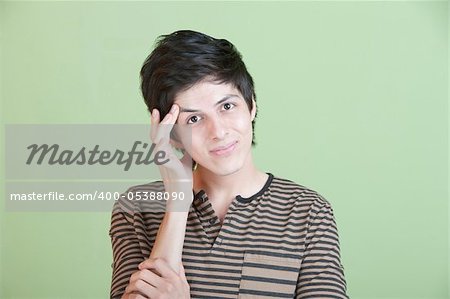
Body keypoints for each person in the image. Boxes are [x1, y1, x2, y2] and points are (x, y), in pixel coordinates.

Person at [109, 30, 348, 299]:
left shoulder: (309, 213)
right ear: (172, 136)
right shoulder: (136, 209)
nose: (218, 132)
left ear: (251, 106)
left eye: (226, 106)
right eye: (194, 119)